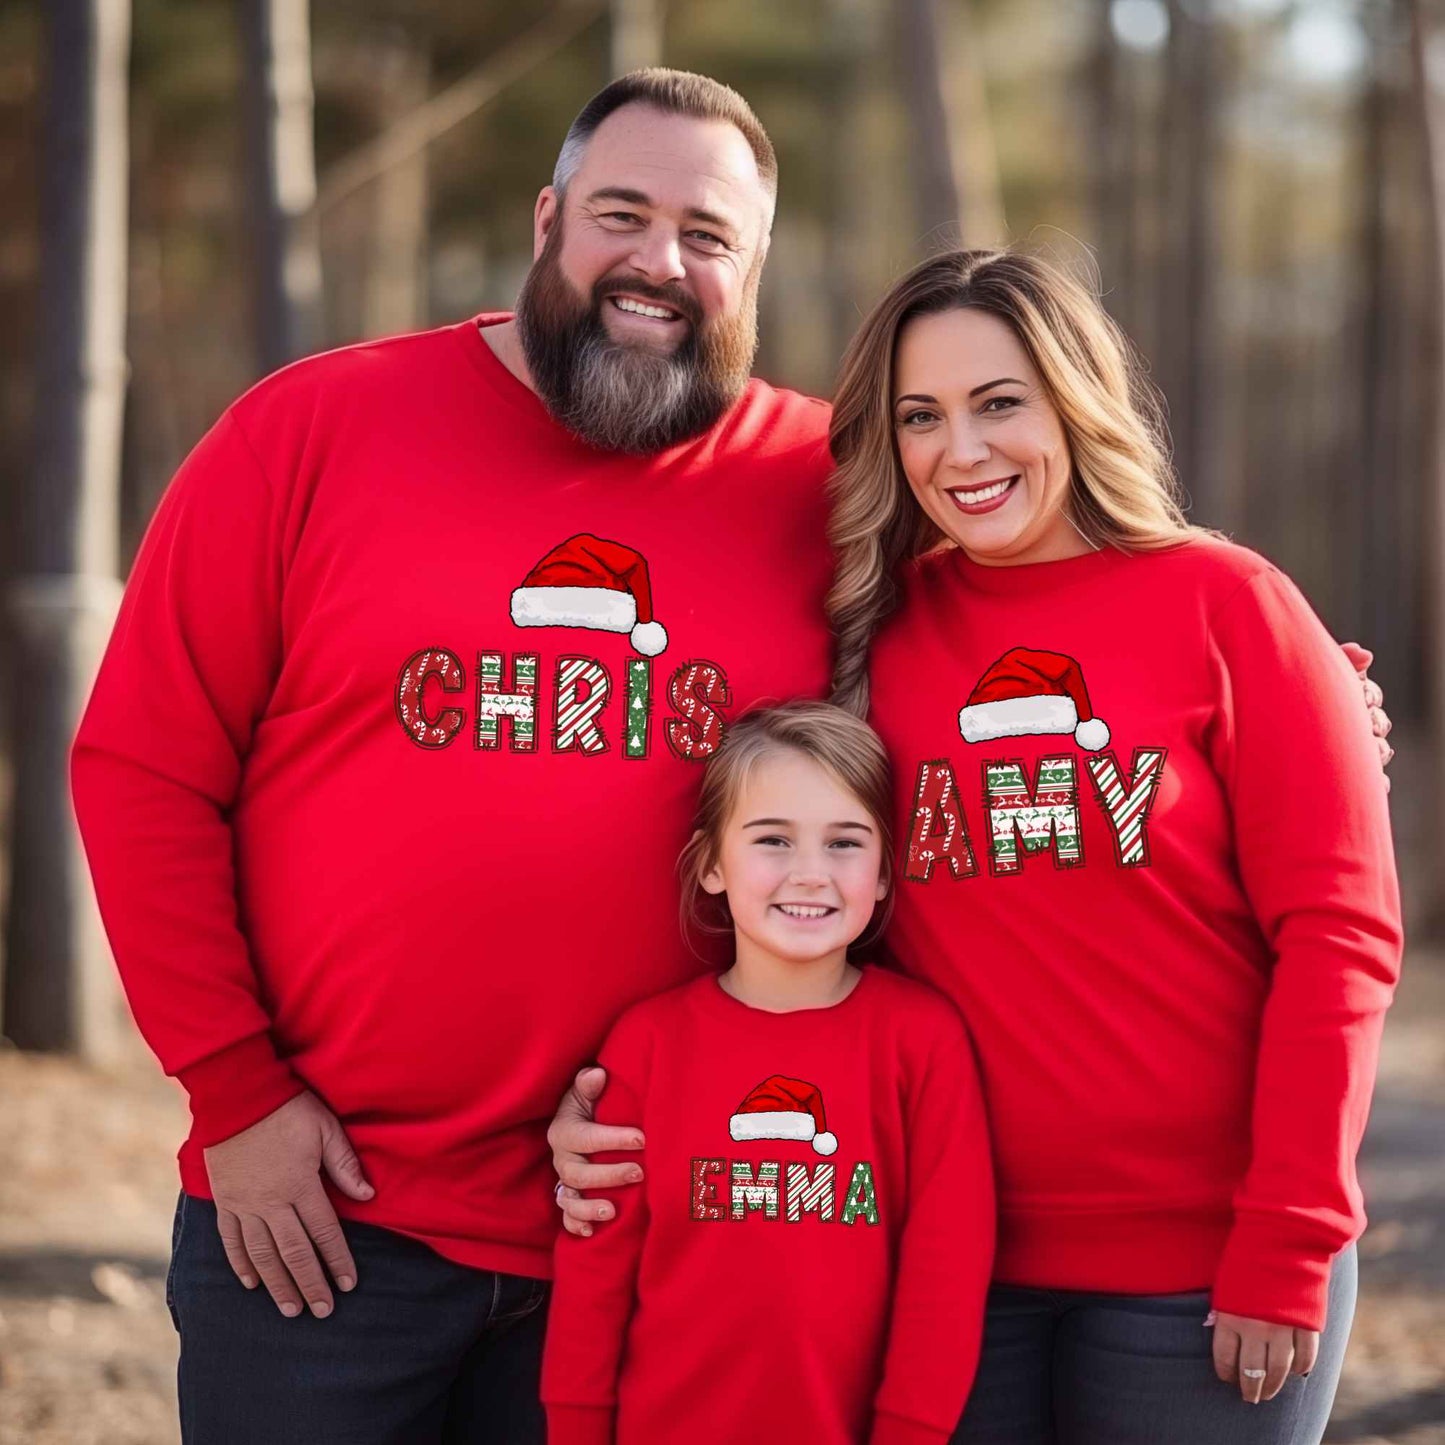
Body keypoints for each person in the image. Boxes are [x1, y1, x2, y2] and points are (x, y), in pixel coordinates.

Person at [69, 62, 1391, 1440]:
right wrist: (237, 1093)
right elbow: (143, 770)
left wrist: (1318, 697)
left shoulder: (827, 491)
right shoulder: (309, 433)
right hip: (334, 1206)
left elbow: (1085, 604)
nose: (659, 262)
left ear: (754, 271)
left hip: (670, 1223)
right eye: (621, 214)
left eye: (708, 236)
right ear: (546, 217)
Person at [552, 248, 1403, 1445]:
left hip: (1202, 1262)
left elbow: (1339, 938)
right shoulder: (871, 633)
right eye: (920, 416)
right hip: (946, 1262)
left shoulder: (1230, 605)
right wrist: (615, 1107)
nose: (962, 450)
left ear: (1073, 398)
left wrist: (1289, 1230)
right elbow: (775, 885)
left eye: (999, 402)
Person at [540, 703, 995, 1445]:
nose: (810, 873)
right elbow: (596, 1269)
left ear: (884, 872)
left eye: (845, 842)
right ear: (712, 864)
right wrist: (577, 1428)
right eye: (772, 840)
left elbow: (945, 1271)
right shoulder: (648, 1041)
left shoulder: (921, 1040)